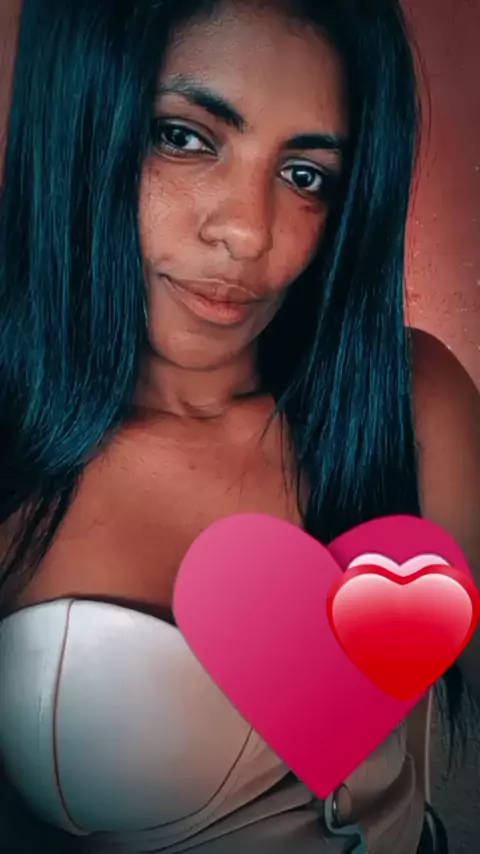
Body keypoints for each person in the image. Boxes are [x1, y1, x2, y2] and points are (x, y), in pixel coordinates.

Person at [0, 0, 479, 851]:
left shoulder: (410, 400)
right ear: (78, 120)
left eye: (305, 175)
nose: (248, 235)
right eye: (184, 137)